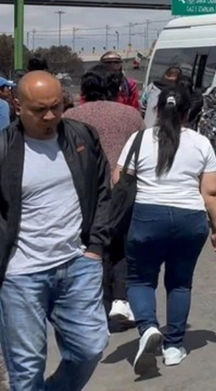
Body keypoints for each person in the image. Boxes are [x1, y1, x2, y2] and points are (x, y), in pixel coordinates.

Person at [0, 71, 113, 390]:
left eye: (56, 106)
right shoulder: (5, 148)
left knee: (90, 348)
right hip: (21, 276)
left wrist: (95, 248)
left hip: (78, 264)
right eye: (40, 110)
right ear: (18, 106)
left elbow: (103, 191)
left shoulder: (81, 136)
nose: (50, 116)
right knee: (26, 370)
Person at [118, 84, 216, 373]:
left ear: (156, 109)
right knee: (180, 283)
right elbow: (211, 192)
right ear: (189, 112)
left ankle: (148, 328)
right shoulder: (201, 143)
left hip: (147, 217)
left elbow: (120, 179)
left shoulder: (139, 139)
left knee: (140, 280)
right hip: (190, 219)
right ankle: (174, 347)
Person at [63, 65, 147, 328]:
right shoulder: (131, 115)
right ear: (116, 88)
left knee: (93, 244)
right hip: (125, 188)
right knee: (122, 243)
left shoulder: (70, 116)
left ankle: (98, 303)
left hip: (84, 191)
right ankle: (121, 300)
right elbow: (143, 150)